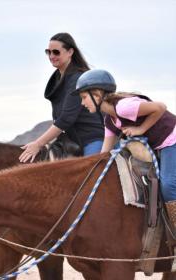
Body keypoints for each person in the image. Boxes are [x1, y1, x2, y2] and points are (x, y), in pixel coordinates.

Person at [73, 69, 176, 268]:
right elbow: (104, 152)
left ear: (97, 95)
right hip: (158, 143)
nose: (82, 103)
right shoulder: (110, 119)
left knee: (168, 185)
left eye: (84, 97)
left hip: (172, 140)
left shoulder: (124, 107)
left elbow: (160, 107)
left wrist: (140, 129)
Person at [19, 33, 104, 163]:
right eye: (48, 52)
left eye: (56, 52)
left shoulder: (77, 79)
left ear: (70, 52)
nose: (51, 56)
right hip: (70, 141)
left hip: (91, 139)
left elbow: (65, 119)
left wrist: (38, 143)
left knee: (91, 174)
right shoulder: (59, 78)